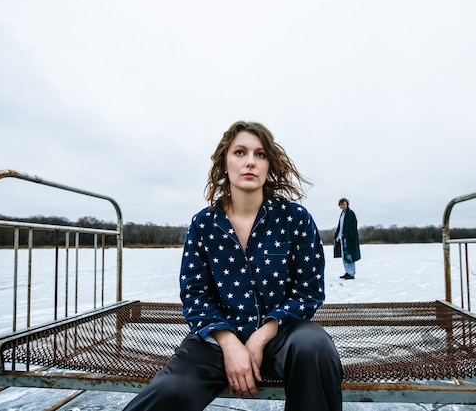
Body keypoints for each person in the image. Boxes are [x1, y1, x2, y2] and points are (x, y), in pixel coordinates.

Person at [123, 121, 343, 411]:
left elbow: (308, 291)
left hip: (284, 336)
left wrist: (261, 335)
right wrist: (229, 343)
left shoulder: (296, 219)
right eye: (240, 152)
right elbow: (195, 295)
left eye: (260, 154)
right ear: (224, 163)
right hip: (216, 340)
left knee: (315, 347)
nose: (250, 161)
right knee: (170, 391)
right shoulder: (203, 224)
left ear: (269, 165)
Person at [333, 198, 361, 279]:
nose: (342, 206)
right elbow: (340, 227)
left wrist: (350, 237)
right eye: (341, 205)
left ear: (347, 204)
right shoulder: (342, 214)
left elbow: (353, 226)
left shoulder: (350, 214)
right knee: (344, 256)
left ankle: (351, 273)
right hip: (342, 238)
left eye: (344, 204)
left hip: (349, 239)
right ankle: (347, 272)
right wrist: (338, 236)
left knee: (350, 256)